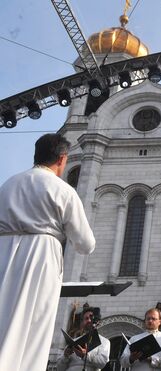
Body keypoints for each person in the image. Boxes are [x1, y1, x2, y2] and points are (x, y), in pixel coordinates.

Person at [0, 133, 96, 371]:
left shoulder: (9, 183)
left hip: (4, 252)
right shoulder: (62, 189)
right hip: (40, 256)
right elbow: (85, 243)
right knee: (34, 324)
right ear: (63, 159)